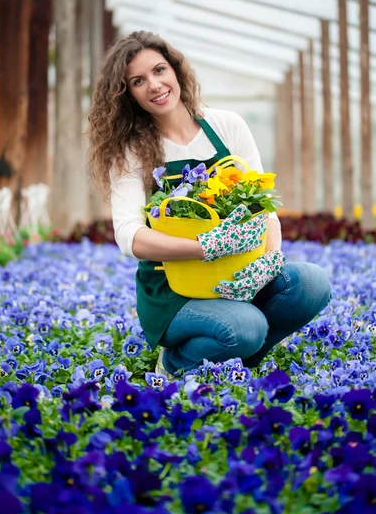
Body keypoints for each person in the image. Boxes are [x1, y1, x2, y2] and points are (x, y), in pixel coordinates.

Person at [87, 30, 331, 379]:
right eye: (138, 81)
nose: (154, 85)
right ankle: (175, 363)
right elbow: (130, 237)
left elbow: (265, 210)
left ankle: (228, 361)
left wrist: (267, 263)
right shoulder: (130, 152)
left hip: (239, 272)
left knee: (311, 284)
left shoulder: (226, 126)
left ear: (175, 70)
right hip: (174, 291)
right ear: (128, 95)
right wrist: (204, 248)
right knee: (245, 328)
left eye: (159, 71)